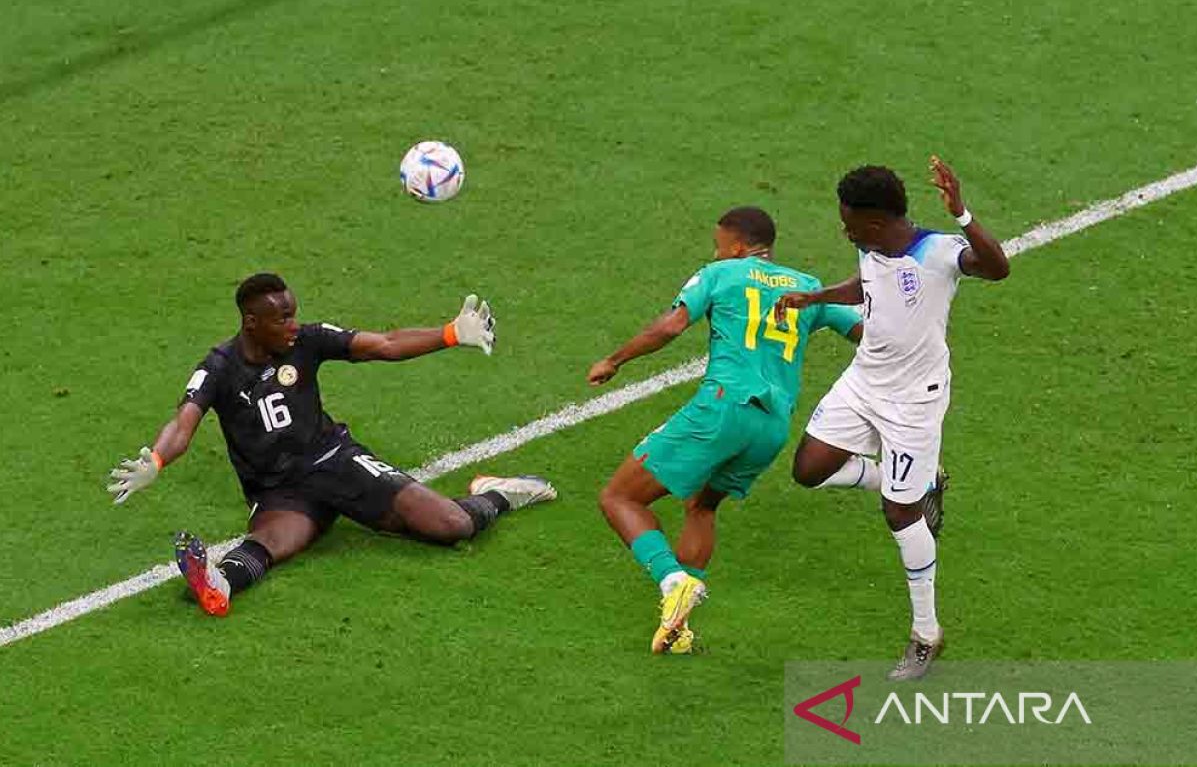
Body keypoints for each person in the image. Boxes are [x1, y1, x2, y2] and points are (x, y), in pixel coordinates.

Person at [106, 273, 556, 616]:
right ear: (251, 322)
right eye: (282, 318)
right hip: (279, 490)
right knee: (274, 540)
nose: (292, 324)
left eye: (292, 313)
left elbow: (384, 344)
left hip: (337, 461)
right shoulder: (220, 367)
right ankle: (219, 581)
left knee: (450, 526)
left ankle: (498, 494)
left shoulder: (307, 340)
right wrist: (158, 459)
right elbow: (183, 423)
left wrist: (450, 333)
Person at [776, 157, 1010, 679]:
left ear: (876, 222)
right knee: (809, 469)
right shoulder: (871, 247)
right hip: (864, 382)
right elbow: (867, 286)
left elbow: (998, 268)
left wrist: (964, 213)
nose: (845, 231)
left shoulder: (939, 252)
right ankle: (922, 482)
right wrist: (814, 298)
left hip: (913, 403)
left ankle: (926, 633)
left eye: (850, 223)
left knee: (900, 516)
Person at [588, 207, 862, 653]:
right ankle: (678, 628)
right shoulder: (810, 288)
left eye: (719, 244)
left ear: (737, 246)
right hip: (772, 427)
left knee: (619, 497)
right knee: (702, 506)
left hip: (723, 409)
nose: (716, 251)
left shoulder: (722, 273)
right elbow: (867, 334)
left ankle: (671, 580)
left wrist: (615, 360)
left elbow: (671, 325)